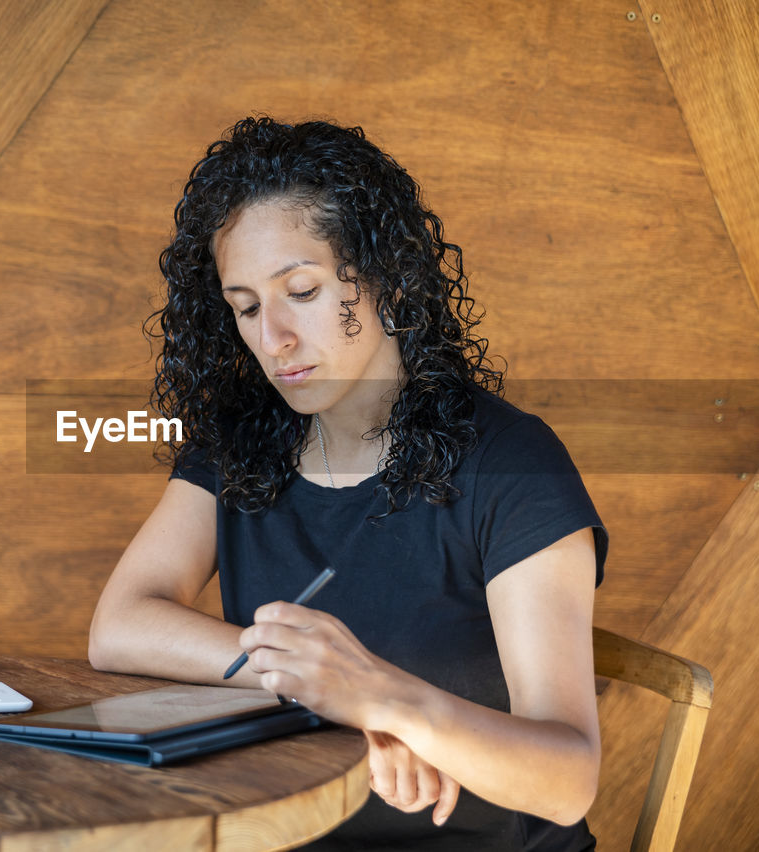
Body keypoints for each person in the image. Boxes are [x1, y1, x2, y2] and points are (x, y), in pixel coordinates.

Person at [88, 116, 608, 851]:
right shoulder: (242, 443)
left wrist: (389, 701)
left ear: (387, 279)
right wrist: (318, 687)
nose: (273, 339)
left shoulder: (512, 462)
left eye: (301, 291)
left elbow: (567, 781)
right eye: (246, 308)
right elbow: (118, 626)